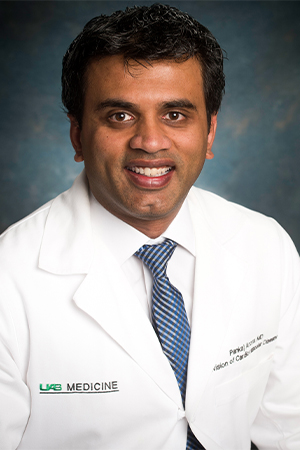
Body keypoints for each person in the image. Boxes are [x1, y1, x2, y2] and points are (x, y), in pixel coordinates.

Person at [0, 3, 299, 449]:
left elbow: (287, 429)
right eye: (120, 116)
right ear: (78, 135)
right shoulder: (9, 277)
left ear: (211, 132)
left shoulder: (265, 245)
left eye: (175, 115)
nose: (151, 142)